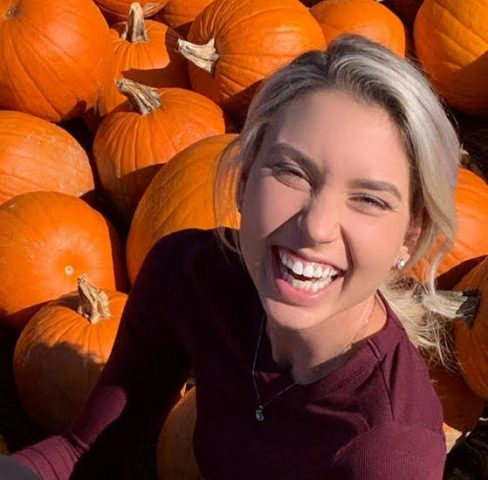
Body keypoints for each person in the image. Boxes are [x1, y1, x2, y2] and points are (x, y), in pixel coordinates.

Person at [8, 34, 463, 479]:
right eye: (291, 171)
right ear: (245, 180)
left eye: (369, 199)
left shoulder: (388, 452)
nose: (316, 226)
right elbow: (87, 452)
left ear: (409, 236)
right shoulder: (191, 276)